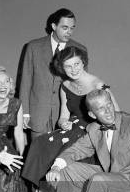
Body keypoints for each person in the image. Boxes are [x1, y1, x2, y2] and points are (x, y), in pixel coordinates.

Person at [21, 46, 119, 192]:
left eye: (77, 64)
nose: (73, 70)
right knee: (40, 142)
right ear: (62, 68)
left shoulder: (98, 84)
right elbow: (63, 117)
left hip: (93, 128)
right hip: (73, 126)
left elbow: (116, 114)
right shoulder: (65, 85)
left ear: (83, 63)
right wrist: (63, 123)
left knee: (64, 146)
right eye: (68, 66)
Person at [18, 8, 88, 139]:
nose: (69, 32)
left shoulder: (80, 50)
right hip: (38, 115)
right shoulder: (33, 47)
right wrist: (24, 113)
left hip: (67, 118)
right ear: (54, 26)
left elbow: (82, 86)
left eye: (72, 28)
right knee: (38, 157)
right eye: (65, 27)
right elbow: (25, 82)